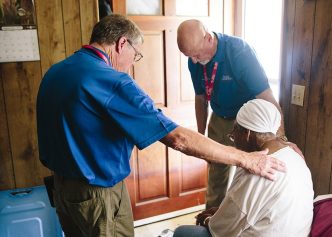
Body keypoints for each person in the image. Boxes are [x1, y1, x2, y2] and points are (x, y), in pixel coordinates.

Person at [36, 15, 286, 237]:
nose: (132, 64)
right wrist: (247, 159)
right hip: (97, 195)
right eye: (135, 55)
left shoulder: (56, 72)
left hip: (62, 191)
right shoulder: (113, 82)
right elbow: (179, 139)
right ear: (123, 43)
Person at [177, 19, 288, 209]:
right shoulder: (194, 60)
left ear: (209, 39)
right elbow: (200, 98)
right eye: (189, 56)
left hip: (248, 124)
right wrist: (200, 135)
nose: (194, 61)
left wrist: (282, 139)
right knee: (216, 174)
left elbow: (268, 97)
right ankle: (210, 220)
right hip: (219, 117)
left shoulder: (240, 52)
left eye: (195, 54)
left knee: (251, 174)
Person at [173, 99, 314, 237]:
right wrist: (221, 211)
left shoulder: (256, 170)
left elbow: (221, 231)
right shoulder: (295, 156)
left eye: (234, 132)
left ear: (246, 134)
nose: (232, 137)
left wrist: (207, 220)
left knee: (182, 232)